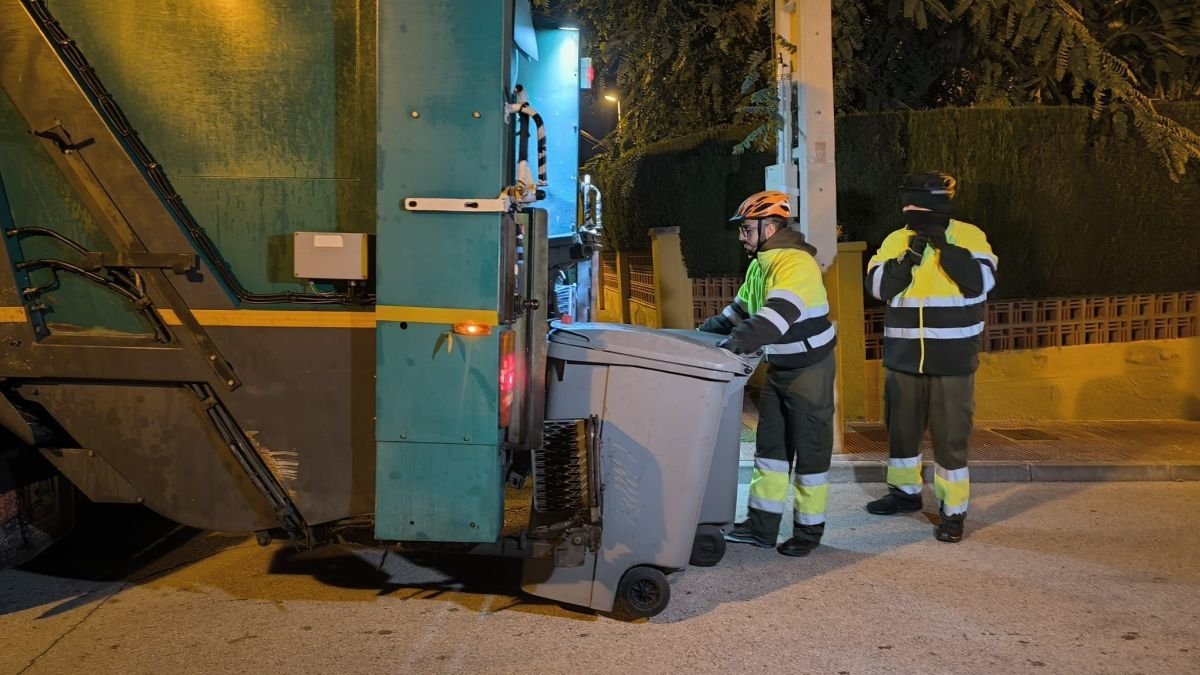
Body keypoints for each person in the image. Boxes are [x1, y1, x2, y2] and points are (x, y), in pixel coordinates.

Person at [699, 191, 837, 557]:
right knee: (771, 452)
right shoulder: (761, 263)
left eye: (746, 229)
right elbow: (738, 312)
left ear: (770, 227)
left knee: (810, 455)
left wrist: (731, 346)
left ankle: (808, 532)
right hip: (780, 368)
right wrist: (699, 337)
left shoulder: (794, 263)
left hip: (810, 370)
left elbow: (772, 319)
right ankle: (761, 528)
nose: (741, 235)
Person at [863, 171, 998, 542]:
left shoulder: (969, 235)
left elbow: (981, 281)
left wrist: (943, 246)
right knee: (901, 431)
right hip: (904, 357)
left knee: (951, 436)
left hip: (953, 359)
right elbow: (877, 287)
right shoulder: (897, 239)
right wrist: (909, 255)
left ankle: (953, 512)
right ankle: (904, 494)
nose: (911, 212)